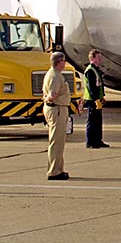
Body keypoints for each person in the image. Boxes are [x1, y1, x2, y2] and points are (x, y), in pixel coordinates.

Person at [42, 51, 71, 180]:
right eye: (64, 61)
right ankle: (54, 171)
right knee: (56, 141)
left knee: (59, 141)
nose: (65, 63)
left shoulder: (52, 73)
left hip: (56, 109)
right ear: (59, 62)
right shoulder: (55, 76)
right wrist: (47, 99)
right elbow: (53, 95)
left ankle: (59, 168)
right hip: (57, 109)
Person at [82, 48, 109, 149]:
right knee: (92, 121)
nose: (100, 59)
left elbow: (99, 85)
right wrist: (96, 99)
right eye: (98, 58)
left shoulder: (96, 69)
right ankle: (90, 141)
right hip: (92, 100)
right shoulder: (90, 70)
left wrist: (102, 97)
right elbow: (91, 87)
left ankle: (98, 140)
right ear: (92, 58)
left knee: (98, 121)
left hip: (97, 99)